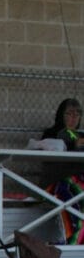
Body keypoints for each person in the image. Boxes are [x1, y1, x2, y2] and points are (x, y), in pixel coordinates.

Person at [41, 99, 84, 242]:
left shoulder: (81, 136)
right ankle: (71, 240)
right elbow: (57, 161)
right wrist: (74, 146)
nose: (74, 118)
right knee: (72, 201)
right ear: (61, 115)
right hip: (56, 184)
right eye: (69, 114)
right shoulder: (50, 134)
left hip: (78, 183)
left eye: (77, 114)